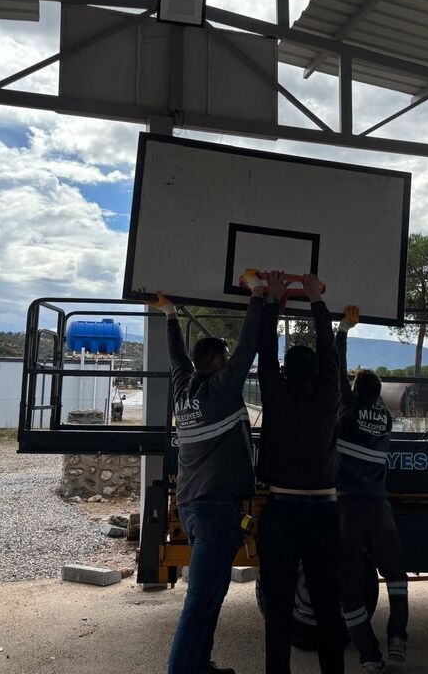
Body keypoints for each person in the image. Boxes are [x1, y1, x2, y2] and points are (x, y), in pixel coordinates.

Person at [153, 271, 266, 674]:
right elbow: (249, 345)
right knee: (201, 602)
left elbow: (177, 358)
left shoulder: (184, 389)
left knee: (211, 598)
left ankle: (199, 664)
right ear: (218, 363)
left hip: (193, 504)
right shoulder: (221, 390)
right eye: (226, 358)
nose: (231, 363)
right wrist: (258, 294)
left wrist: (170, 315)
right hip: (216, 509)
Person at [256, 272, 347, 674]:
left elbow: (264, 349)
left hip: (282, 511)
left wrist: (274, 300)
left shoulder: (275, 395)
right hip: (324, 512)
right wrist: (316, 300)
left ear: (283, 371)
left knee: (278, 608)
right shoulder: (329, 397)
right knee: (327, 606)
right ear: (317, 372)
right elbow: (331, 355)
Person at [335, 305, 409, 674]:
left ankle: (368, 655)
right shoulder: (386, 419)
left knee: (350, 585)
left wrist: (342, 331)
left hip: (348, 509)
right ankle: (397, 637)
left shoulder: (347, 413)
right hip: (380, 508)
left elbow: (337, 370)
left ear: (353, 391)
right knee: (396, 575)